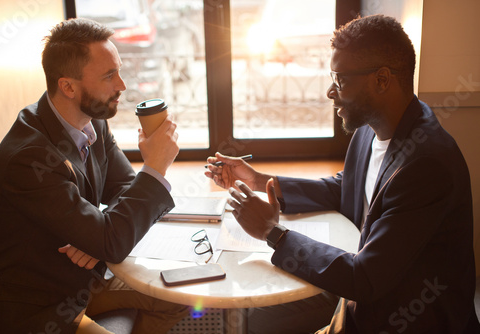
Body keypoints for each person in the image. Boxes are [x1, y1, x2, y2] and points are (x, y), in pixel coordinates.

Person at [205, 15, 479, 333]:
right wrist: (258, 180)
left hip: (400, 315)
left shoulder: (426, 165)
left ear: (382, 80)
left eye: (340, 80)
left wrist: (273, 232)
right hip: (361, 291)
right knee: (255, 317)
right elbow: (346, 188)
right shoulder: (371, 129)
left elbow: (364, 279)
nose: (329, 92)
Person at [0, 18, 188, 333]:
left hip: (82, 283)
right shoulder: (28, 159)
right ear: (68, 86)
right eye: (109, 75)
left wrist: (96, 239)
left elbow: (123, 189)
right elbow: (115, 234)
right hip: (35, 310)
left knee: (179, 295)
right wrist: (156, 166)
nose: (122, 85)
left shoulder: (92, 120)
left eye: (118, 70)